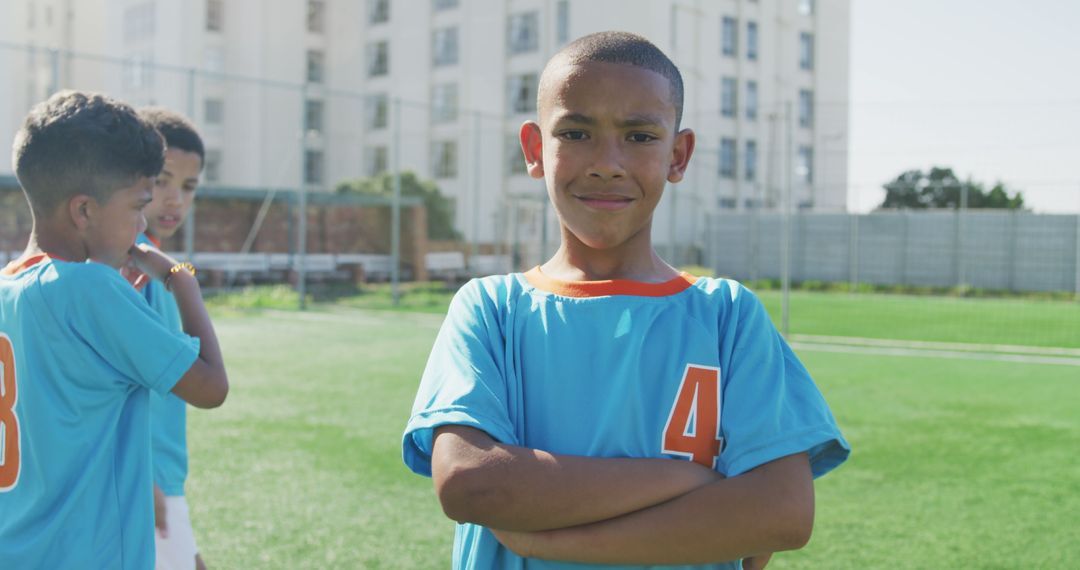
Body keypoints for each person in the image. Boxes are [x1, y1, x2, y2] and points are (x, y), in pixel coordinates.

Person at [402, 31, 849, 569]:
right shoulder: (491, 310)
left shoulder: (728, 316)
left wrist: (544, 539)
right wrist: (692, 479)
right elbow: (472, 483)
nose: (607, 162)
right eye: (575, 132)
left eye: (639, 136)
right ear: (534, 149)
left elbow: (781, 513)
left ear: (678, 155)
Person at [0, 90, 228, 569]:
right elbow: (211, 387)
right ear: (84, 211)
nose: (142, 223)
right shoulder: (90, 289)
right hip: (88, 553)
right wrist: (181, 280)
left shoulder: (7, 287)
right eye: (136, 206)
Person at [134, 107, 211, 570]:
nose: (174, 200)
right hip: (144, 482)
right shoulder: (132, 274)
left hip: (162, 478)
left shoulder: (158, 267)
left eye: (188, 187)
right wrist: (143, 479)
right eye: (161, 180)